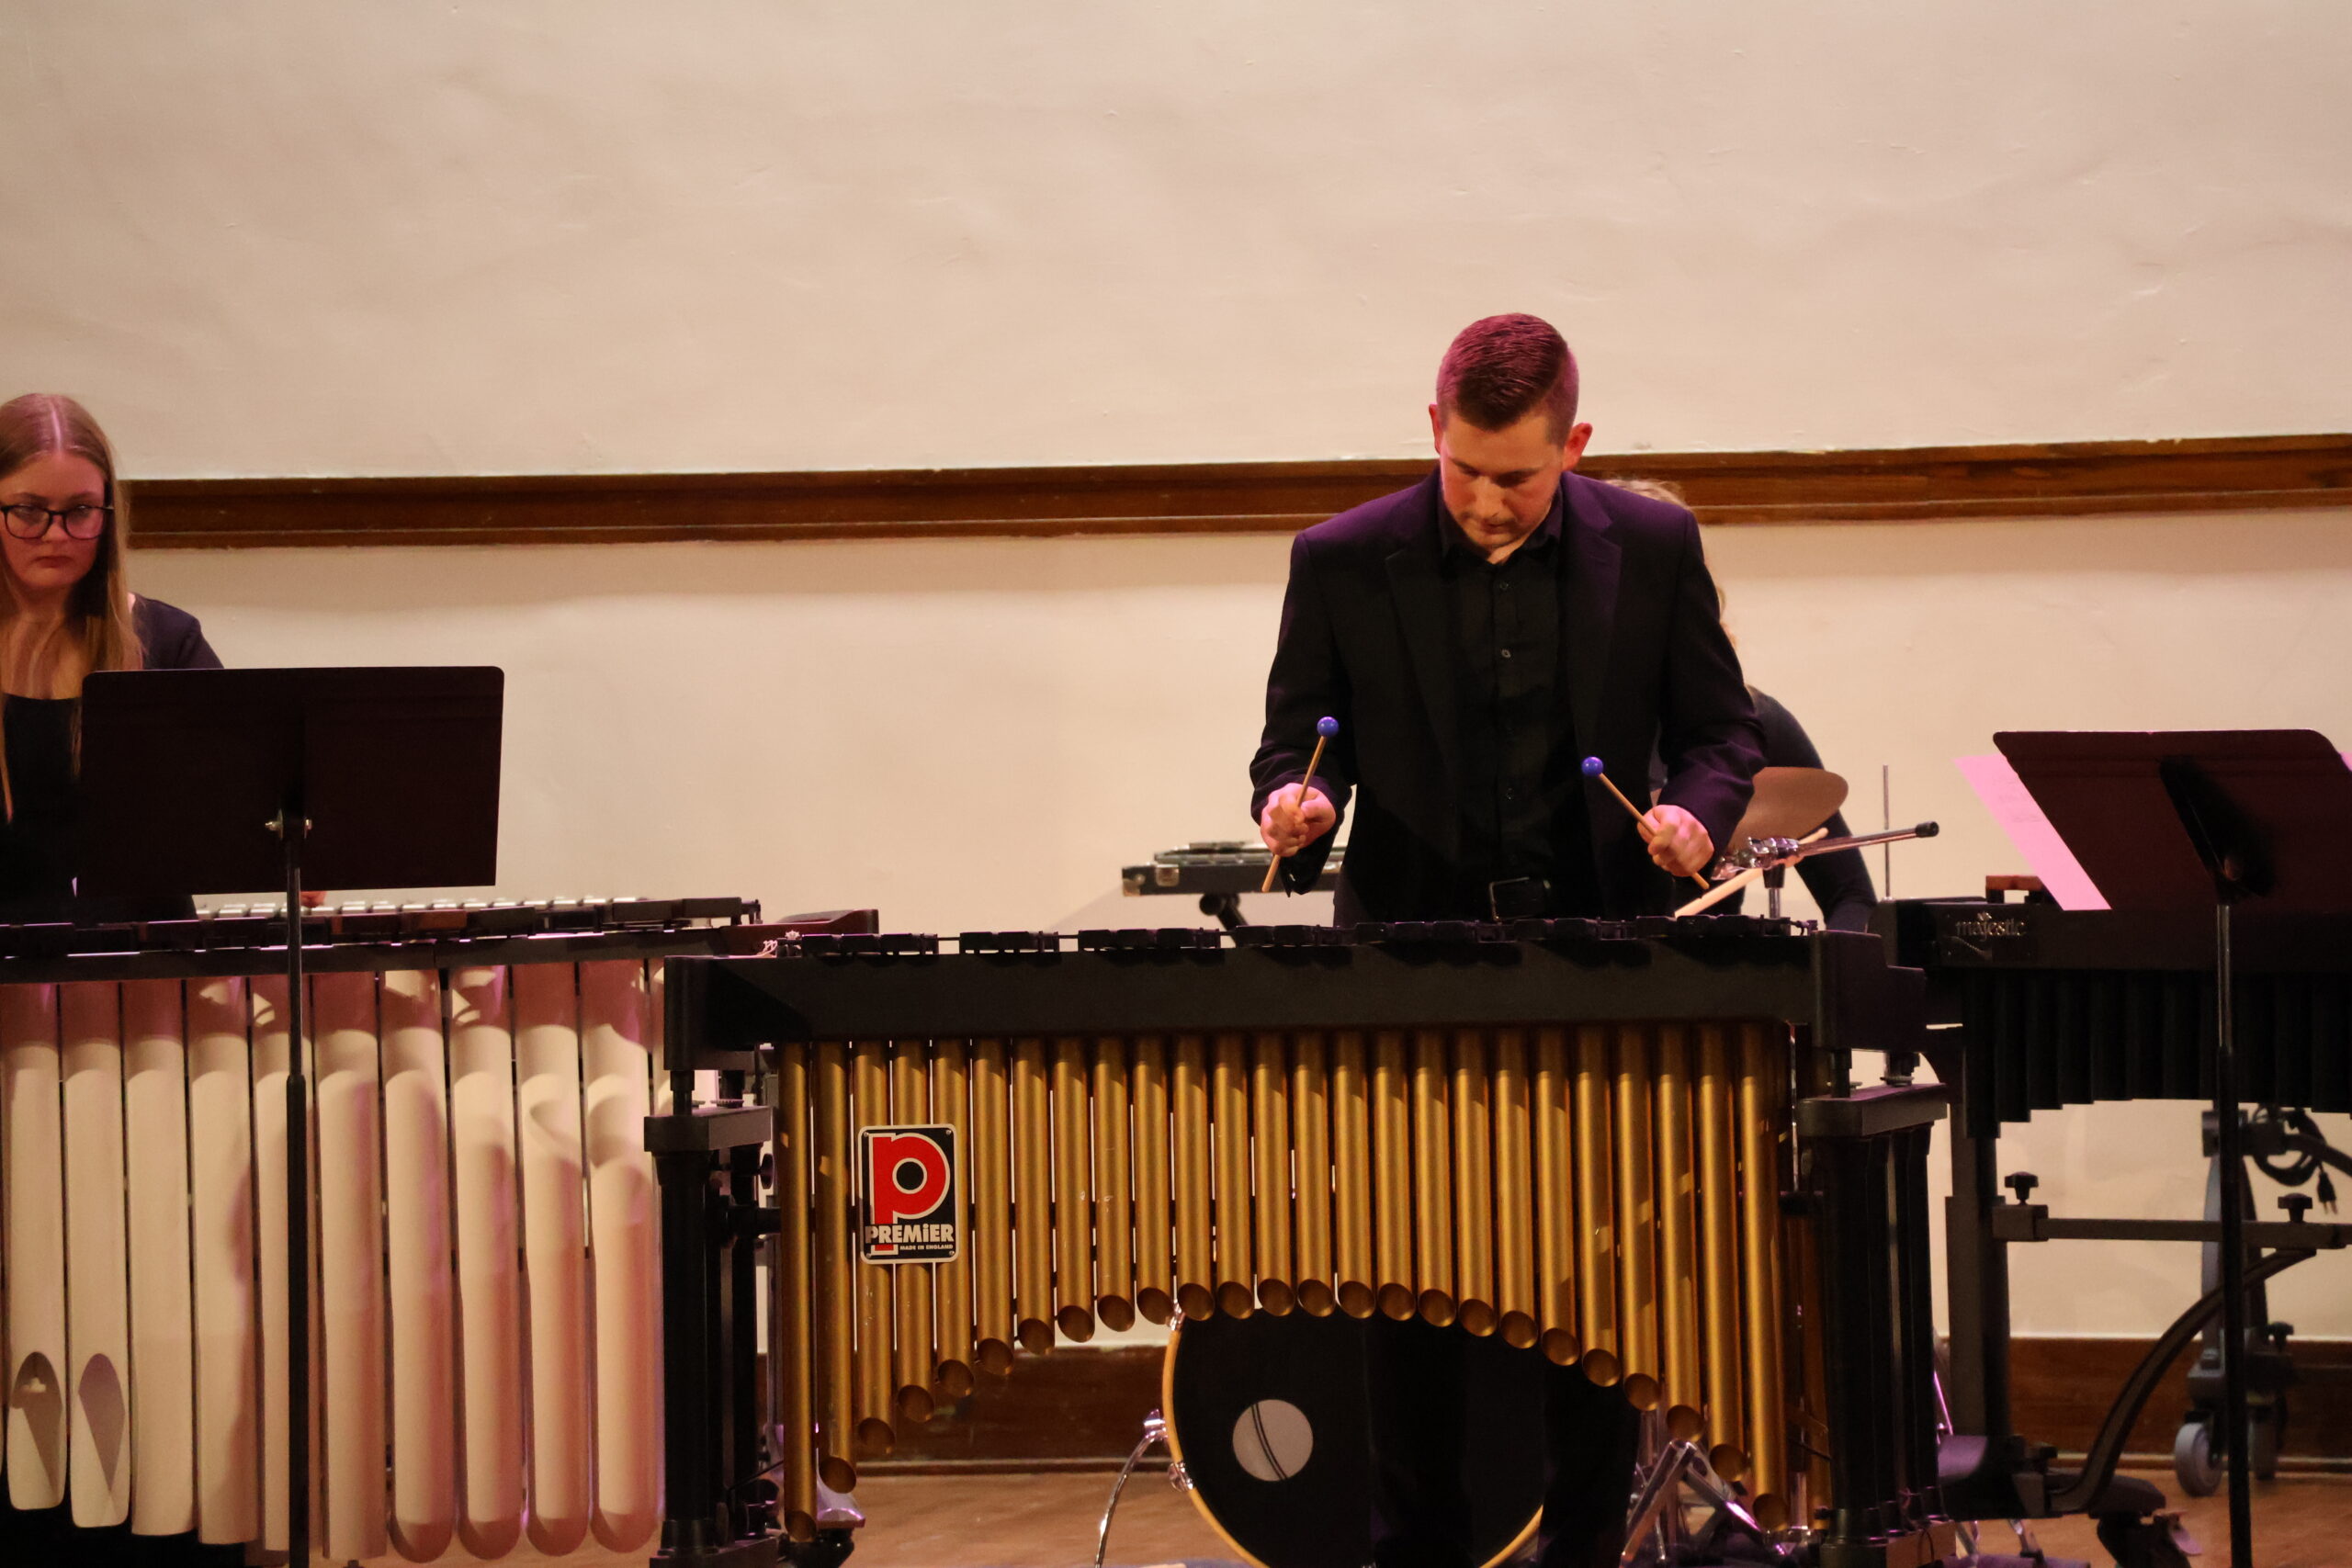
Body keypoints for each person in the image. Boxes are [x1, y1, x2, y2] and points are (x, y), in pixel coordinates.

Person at [1246, 316, 1763, 1567]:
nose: (1484, 500)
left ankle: (1586, 1549)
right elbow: (1291, 747)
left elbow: (1722, 729)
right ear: (1434, 428)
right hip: (1408, 973)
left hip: (1598, 966)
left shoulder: (1654, 544)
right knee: (1407, 1300)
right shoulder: (1341, 559)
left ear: (1575, 444)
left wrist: (1699, 808)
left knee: (1592, 1303)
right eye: (1463, 467)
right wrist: (1294, 807)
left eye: (1518, 477)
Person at [0, 393, 221, 911]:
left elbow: (240, 802)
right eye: (29, 511)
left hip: (147, 962)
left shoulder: (168, 643)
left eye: (80, 511)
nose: (56, 535)